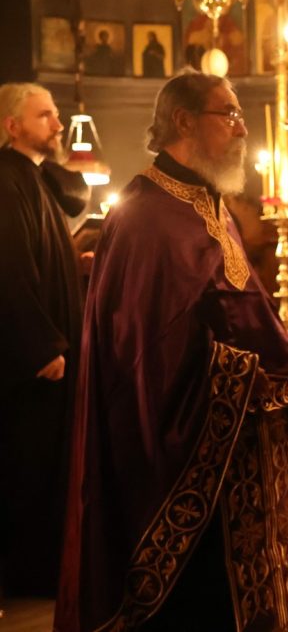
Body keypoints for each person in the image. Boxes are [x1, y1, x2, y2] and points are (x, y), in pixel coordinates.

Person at [55, 72, 288, 632]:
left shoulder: (208, 203)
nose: (242, 129)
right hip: (176, 453)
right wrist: (251, 373)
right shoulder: (145, 217)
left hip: (232, 451)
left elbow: (245, 309)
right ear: (184, 121)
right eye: (229, 114)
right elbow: (143, 354)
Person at [0, 83, 85, 598]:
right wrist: (42, 344)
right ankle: (27, 576)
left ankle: (48, 569)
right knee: (28, 463)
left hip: (50, 347)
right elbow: (9, 267)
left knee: (51, 460)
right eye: (45, 116)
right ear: (12, 127)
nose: (57, 125)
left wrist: (76, 263)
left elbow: (50, 241)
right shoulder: (6, 179)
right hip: (33, 357)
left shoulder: (32, 175)